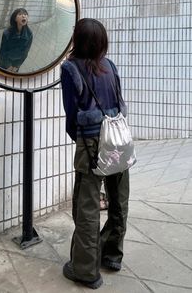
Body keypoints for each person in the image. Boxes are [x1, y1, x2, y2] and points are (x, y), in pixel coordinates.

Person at [60, 18, 129, 289]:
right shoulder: (109, 66)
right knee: (118, 197)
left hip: (91, 143)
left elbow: (71, 114)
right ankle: (112, 256)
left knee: (87, 205)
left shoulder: (70, 69)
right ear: (102, 41)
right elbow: (120, 101)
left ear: (77, 39)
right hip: (119, 138)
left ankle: (85, 270)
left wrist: (79, 138)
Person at [0, 8, 33, 72]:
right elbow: (2, 51)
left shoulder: (29, 34)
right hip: (3, 62)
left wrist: (17, 66)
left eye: (25, 14)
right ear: (15, 19)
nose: (23, 16)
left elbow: (25, 52)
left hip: (16, 63)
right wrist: (8, 66)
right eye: (20, 14)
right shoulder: (6, 33)